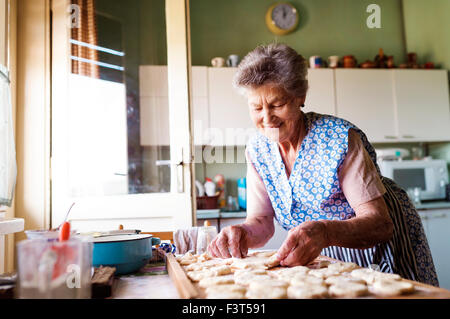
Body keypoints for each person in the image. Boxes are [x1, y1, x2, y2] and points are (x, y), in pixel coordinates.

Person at [207, 43, 438, 286]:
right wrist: (242, 232)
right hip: (323, 248)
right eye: (256, 107)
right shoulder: (257, 150)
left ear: (300, 97)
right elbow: (261, 222)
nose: (267, 118)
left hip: (377, 240)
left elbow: (379, 224)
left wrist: (325, 232)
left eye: (277, 104)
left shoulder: (338, 139)